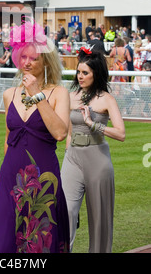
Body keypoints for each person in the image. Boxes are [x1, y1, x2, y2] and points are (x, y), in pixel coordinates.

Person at [0, 21, 70, 253]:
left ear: (45, 60)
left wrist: (37, 94)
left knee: (40, 238)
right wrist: (7, 173)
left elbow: (60, 133)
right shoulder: (9, 94)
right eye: (22, 56)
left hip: (43, 178)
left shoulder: (58, 93)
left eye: (33, 58)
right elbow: (8, 139)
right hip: (10, 178)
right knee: (6, 237)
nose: (26, 62)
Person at [61, 47, 125, 253]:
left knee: (99, 220)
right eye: (78, 72)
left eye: (85, 73)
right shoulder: (70, 96)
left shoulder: (106, 98)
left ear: (95, 74)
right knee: (66, 212)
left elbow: (121, 134)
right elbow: (69, 133)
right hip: (72, 159)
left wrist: (92, 123)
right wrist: (67, 152)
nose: (80, 76)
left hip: (98, 160)